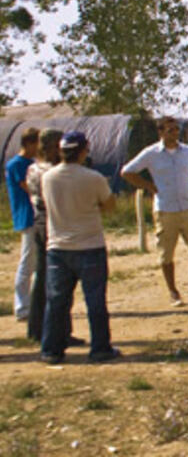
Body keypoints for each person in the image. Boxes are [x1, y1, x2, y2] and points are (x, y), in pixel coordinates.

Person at [120, 116, 188, 306]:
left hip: (187, 208)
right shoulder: (151, 153)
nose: (175, 134)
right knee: (166, 252)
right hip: (165, 209)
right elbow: (127, 172)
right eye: (170, 130)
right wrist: (149, 186)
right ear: (160, 132)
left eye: (177, 130)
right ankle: (173, 292)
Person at [41, 131, 119, 364]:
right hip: (89, 244)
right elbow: (109, 205)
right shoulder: (93, 178)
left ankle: (52, 349)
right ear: (84, 150)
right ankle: (100, 348)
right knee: (95, 300)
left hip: (57, 246)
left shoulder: (48, 177)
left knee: (57, 301)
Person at [24, 129, 81, 345]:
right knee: (60, 280)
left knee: (44, 277)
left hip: (41, 222)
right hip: (54, 223)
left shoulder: (33, 169)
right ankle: (57, 331)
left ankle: (38, 327)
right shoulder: (51, 171)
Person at [5, 127, 38, 322]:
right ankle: (22, 307)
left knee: (34, 262)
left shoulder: (30, 163)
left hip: (33, 215)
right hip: (27, 215)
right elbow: (29, 187)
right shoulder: (17, 164)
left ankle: (31, 304)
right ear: (29, 143)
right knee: (27, 262)